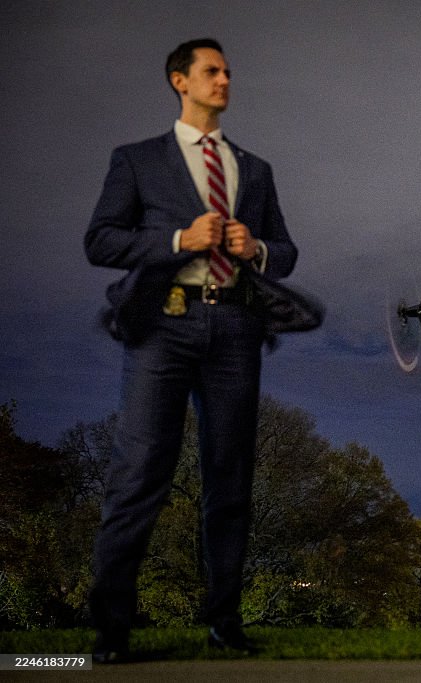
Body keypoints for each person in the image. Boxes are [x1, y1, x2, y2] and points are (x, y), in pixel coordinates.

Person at [85, 38, 315, 662]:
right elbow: (101, 241)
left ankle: (225, 624)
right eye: (212, 71)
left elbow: (286, 252)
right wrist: (178, 238)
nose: (224, 80)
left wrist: (256, 249)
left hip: (235, 329)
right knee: (140, 472)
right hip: (164, 324)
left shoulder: (255, 170)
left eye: (229, 71)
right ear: (179, 80)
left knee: (230, 477)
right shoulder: (138, 161)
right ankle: (111, 631)